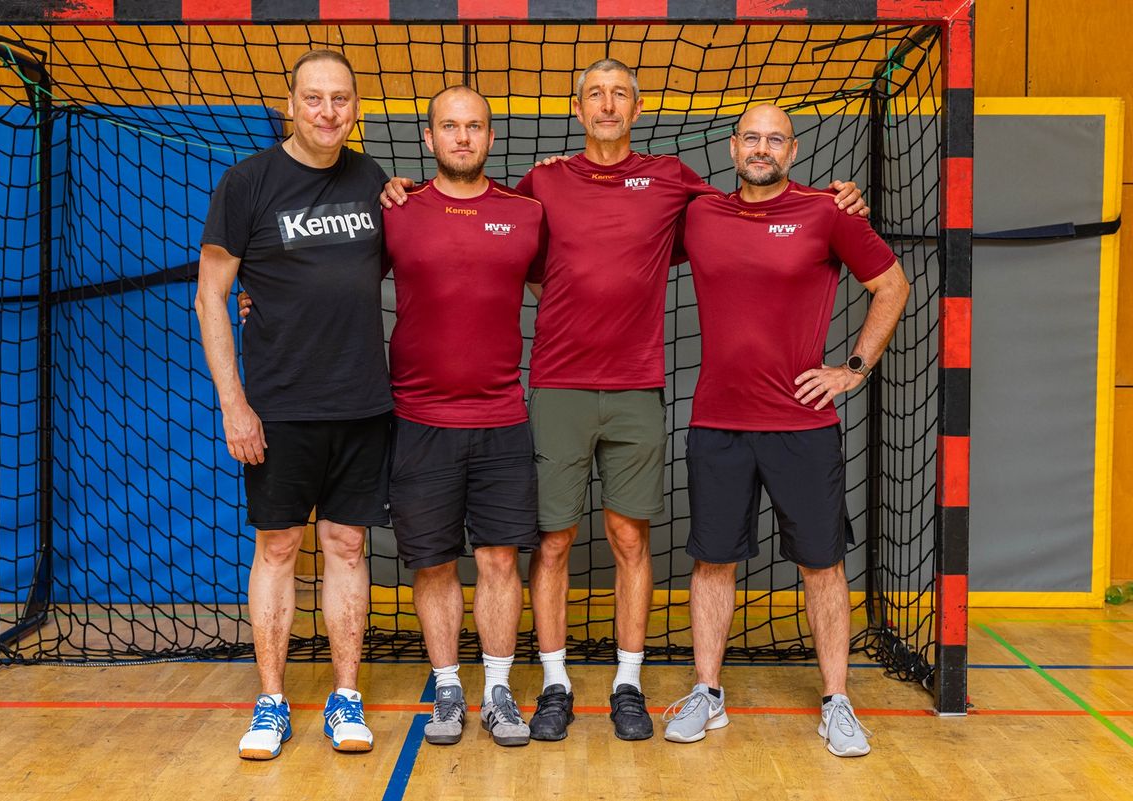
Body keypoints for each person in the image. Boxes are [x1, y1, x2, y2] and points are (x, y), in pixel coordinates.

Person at [384, 59, 867, 742]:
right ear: (577, 108)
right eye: (595, 95)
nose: (607, 105)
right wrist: (400, 192)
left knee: (627, 537)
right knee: (550, 543)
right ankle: (554, 683)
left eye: (619, 95)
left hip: (638, 387)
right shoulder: (539, 186)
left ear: (636, 109)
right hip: (555, 386)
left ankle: (628, 683)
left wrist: (836, 199)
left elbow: (759, 197)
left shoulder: (673, 181)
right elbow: (488, 245)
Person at [661, 103, 910, 757]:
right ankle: (707, 692)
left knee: (822, 565)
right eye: (751, 137)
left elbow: (892, 283)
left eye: (775, 139)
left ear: (793, 151)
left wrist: (853, 368)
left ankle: (837, 701)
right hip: (717, 423)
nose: (762, 148)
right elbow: (622, 228)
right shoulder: (699, 214)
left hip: (802, 424)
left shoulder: (827, 212)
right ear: (733, 147)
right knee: (713, 561)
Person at [195, 49, 392, 760]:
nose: (328, 111)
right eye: (315, 98)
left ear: (355, 108)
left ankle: (346, 696)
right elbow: (211, 295)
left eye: (341, 99)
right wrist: (233, 404)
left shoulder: (371, 179)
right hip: (278, 407)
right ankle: (272, 701)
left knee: (347, 544)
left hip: (364, 403)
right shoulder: (247, 183)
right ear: (291, 103)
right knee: (278, 546)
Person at [382, 85, 545, 747]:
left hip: (503, 416)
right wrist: (259, 306)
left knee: (501, 560)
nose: (461, 137)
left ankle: (499, 690)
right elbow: (330, 279)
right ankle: (448, 686)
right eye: (448, 126)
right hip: (418, 419)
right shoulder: (396, 209)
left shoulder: (527, 212)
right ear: (428, 138)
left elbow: (575, 280)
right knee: (433, 564)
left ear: (490, 136)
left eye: (473, 126)